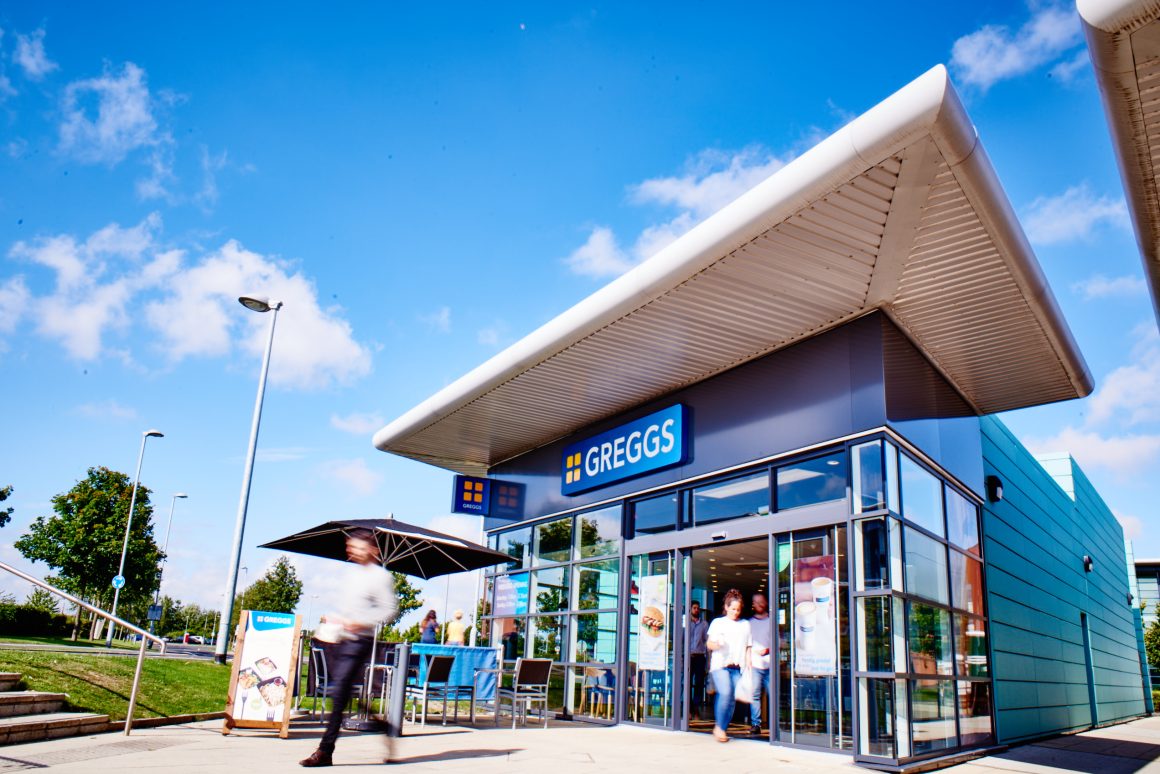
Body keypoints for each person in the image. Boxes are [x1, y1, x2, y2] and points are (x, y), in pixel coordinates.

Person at [299, 530, 399, 768]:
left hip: (360, 640)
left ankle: (325, 750)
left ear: (372, 550)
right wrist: (334, 619)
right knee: (341, 694)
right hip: (342, 639)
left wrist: (361, 622)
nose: (353, 552)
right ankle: (384, 727)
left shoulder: (381, 577)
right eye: (351, 547)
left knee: (340, 693)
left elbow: (389, 609)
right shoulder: (351, 575)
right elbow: (347, 608)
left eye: (359, 548)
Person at [705, 588, 750, 743]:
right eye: (733, 609)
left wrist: (748, 664)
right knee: (725, 692)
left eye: (738, 609)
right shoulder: (718, 623)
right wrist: (717, 644)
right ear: (726, 607)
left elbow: (748, 646)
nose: (735, 612)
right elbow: (709, 644)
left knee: (732, 698)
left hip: (737, 666)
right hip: (720, 665)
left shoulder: (745, 625)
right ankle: (719, 727)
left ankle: (722, 728)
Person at [748, 592, 772, 736]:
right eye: (756, 602)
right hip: (755, 665)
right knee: (754, 696)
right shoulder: (749, 623)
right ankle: (755, 724)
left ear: (766, 602)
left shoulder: (771, 621)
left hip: (770, 665)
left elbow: (779, 642)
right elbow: (746, 644)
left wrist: (767, 650)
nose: (759, 604)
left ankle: (775, 724)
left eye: (761, 601)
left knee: (772, 695)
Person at [687, 599, 708, 720]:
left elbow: (707, 641)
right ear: (690, 609)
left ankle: (696, 708)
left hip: (700, 657)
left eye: (698, 608)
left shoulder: (704, 624)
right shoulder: (685, 622)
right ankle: (689, 708)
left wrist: (708, 661)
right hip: (688, 657)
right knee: (688, 683)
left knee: (699, 683)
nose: (696, 610)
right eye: (694, 608)